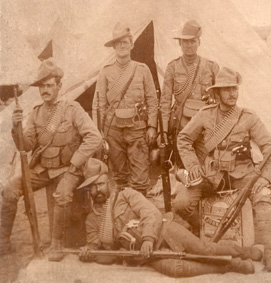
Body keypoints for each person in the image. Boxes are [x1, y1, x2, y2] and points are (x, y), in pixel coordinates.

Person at [77, 158, 264, 277]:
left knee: (203, 249)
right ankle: (228, 266)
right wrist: (90, 254)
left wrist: (148, 239)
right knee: (177, 269)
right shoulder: (92, 220)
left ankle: (244, 252)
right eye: (92, 188)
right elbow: (107, 256)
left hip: (164, 231)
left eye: (100, 184)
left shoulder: (126, 195)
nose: (97, 190)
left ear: (108, 182)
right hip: (147, 254)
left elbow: (150, 213)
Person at [176, 67, 271, 272]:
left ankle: (270, 253)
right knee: (182, 203)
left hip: (243, 174)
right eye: (226, 90)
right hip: (211, 175)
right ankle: (202, 234)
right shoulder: (204, 115)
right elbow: (184, 138)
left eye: (234, 89)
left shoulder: (248, 117)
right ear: (217, 93)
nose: (232, 94)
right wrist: (193, 166)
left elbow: (270, 146)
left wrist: (265, 177)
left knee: (263, 198)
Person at [0, 59, 103, 261]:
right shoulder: (37, 113)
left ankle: (57, 245)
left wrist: (75, 163)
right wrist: (16, 127)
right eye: (42, 86)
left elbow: (95, 137)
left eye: (49, 85)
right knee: (10, 190)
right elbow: (26, 145)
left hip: (67, 169)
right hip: (41, 169)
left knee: (62, 196)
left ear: (59, 86)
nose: (45, 90)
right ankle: (3, 242)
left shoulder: (72, 109)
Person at [92, 22, 158, 196]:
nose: (121, 46)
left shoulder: (142, 70)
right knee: (120, 177)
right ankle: (123, 216)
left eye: (125, 42)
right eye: (118, 43)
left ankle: (140, 216)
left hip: (137, 130)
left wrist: (152, 126)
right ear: (113, 46)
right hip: (113, 130)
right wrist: (99, 131)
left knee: (140, 178)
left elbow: (152, 100)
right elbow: (98, 104)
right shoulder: (105, 72)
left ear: (131, 44)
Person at [160, 20, 219, 167]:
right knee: (183, 167)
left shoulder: (211, 67)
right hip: (181, 125)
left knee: (208, 164)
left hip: (206, 127)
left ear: (199, 42)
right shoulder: (172, 67)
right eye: (184, 42)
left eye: (192, 41)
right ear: (180, 44)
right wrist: (164, 131)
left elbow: (219, 100)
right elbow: (165, 101)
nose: (188, 45)